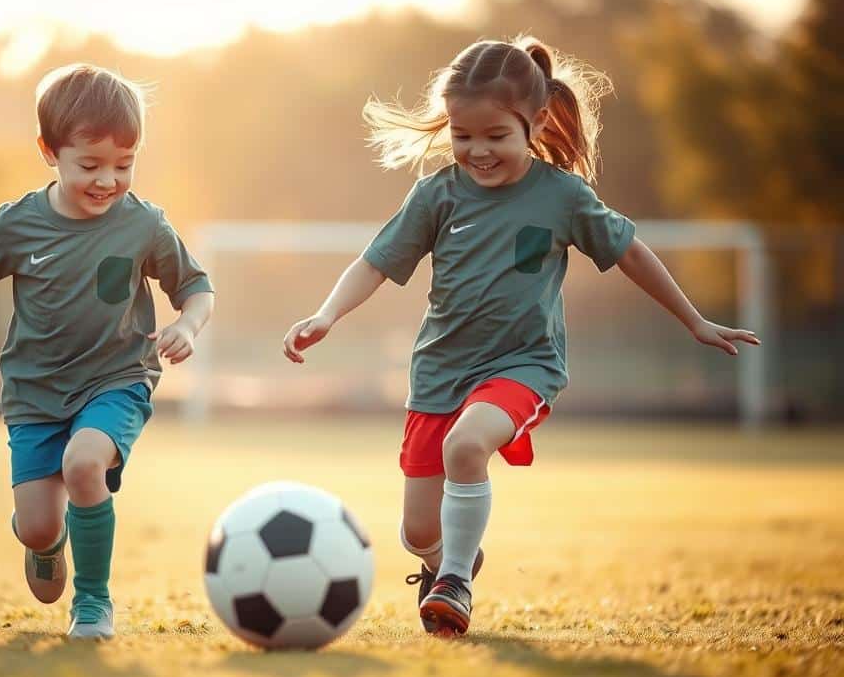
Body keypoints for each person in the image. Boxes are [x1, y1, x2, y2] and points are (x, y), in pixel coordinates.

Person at [282, 37, 759, 636]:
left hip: (522, 364)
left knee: (466, 446)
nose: (477, 151)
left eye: (495, 136)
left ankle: (455, 582)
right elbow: (375, 262)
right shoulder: (437, 194)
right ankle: (446, 562)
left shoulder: (563, 196)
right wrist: (327, 315)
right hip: (438, 372)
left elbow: (631, 253)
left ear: (533, 123)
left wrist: (694, 319)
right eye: (462, 137)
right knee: (417, 532)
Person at [0, 63, 214, 641]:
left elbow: (197, 287)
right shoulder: (17, 224)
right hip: (35, 394)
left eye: (124, 164)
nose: (107, 180)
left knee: (83, 464)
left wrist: (188, 322)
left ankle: (93, 604)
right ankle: (46, 537)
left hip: (117, 378)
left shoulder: (144, 226)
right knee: (37, 528)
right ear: (49, 151)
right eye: (90, 164)